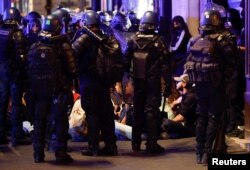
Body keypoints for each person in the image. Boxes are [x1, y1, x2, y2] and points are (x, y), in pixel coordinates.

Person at [184, 4, 238, 164]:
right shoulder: (222, 40)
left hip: (200, 85)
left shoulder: (193, 40)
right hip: (217, 85)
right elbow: (232, 61)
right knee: (214, 118)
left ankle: (198, 151)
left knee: (201, 117)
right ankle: (209, 151)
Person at [28, 14, 77, 163]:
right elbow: (72, 70)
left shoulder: (36, 45)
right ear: (59, 26)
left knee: (39, 121)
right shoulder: (63, 45)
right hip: (58, 90)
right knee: (60, 121)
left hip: (39, 90)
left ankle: (38, 154)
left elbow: (29, 68)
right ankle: (60, 154)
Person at [125, 11, 172, 154]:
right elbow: (166, 65)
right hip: (152, 81)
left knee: (138, 110)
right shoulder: (159, 41)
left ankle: (135, 143)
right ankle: (151, 144)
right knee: (152, 111)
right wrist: (168, 83)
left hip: (137, 80)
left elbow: (125, 61)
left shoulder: (132, 40)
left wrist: (126, 79)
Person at [72, 10, 118, 156]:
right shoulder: (105, 37)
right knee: (106, 113)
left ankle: (93, 147)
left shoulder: (84, 37)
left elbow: (72, 54)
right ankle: (111, 146)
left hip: (89, 81)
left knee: (92, 113)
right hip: (103, 82)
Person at [0, 7, 29, 146]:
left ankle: (1, 134)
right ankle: (17, 136)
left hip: (1, 74)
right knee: (16, 104)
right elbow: (22, 57)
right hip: (14, 74)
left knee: (2, 103)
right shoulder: (17, 34)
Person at [161, 74, 196, 139]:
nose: (177, 83)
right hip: (184, 124)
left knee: (166, 122)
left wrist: (170, 122)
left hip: (188, 127)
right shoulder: (186, 96)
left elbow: (182, 116)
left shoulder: (190, 97)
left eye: (180, 82)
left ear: (184, 84)